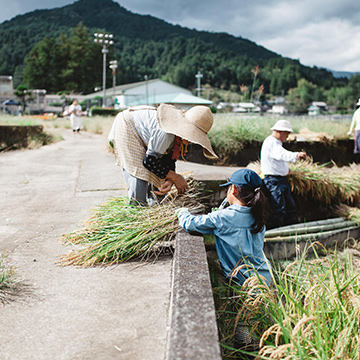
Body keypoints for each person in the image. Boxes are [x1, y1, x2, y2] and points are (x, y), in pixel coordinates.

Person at [176, 169, 271, 286]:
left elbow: (191, 223)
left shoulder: (223, 217)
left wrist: (182, 212)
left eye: (228, 188)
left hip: (244, 283)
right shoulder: (257, 215)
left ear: (234, 190)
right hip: (264, 277)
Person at [108, 104, 218, 205]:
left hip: (142, 136)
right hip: (126, 126)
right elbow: (149, 162)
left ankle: (154, 207)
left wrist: (170, 179)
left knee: (161, 178)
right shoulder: (166, 132)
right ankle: (136, 210)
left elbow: (168, 158)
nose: (192, 139)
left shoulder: (177, 136)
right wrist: (175, 177)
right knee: (140, 179)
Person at [260, 120, 307, 228]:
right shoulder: (271, 142)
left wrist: (286, 170)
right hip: (274, 181)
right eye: (287, 133)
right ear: (280, 132)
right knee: (279, 208)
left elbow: (278, 159)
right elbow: (281, 154)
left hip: (281, 180)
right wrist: (296, 155)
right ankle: (277, 230)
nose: (287, 136)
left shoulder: (276, 143)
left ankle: (291, 229)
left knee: (290, 207)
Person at [347, 98, 360, 163]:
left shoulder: (356, 112)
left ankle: (356, 162)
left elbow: (353, 122)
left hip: (358, 131)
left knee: (357, 146)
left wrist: (350, 131)